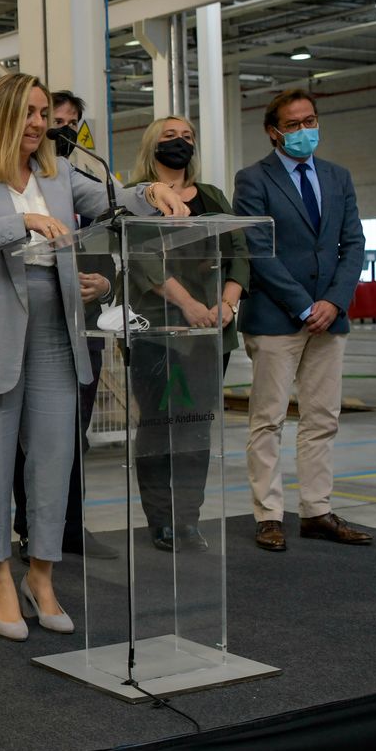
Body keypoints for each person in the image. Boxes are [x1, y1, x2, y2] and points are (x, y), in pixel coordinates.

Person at [0, 73, 186, 642]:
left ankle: (41, 577)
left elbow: (115, 202)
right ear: (2, 114)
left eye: (44, 113)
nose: (39, 123)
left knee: (53, 461)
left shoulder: (61, 172)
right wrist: (19, 222)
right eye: (29, 112)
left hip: (56, 328)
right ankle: (0, 578)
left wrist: (150, 192)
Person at [234, 89, 371, 552]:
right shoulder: (253, 179)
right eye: (293, 125)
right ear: (274, 132)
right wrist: (303, 305)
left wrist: (333, 301)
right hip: (276, 318)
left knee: (322, 418)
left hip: (330, 318)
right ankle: (269, 515)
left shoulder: (337, 177)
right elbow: (258, 250)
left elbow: (353, 244)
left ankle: (316, 511)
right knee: (268, 420)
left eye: (309, 120)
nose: (303, 130)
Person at [125, 115, 250, 552]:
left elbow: (239, 251)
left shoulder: (212, 196)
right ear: (152, 145)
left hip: (211, 333)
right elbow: (142, 258)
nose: (180, 142)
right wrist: (189, 305)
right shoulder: (137, 197)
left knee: (197, 428)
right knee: (159, 426)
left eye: (187, 136)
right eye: (170, 136)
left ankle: (188, 519)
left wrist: (227, 304)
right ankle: (161, 519)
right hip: (158, 332)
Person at [13, 90, 118, 564]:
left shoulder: (82, 181)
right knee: (27, 437)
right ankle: (29, 529)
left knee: (73, 435)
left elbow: (112, 241)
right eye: (51, 118)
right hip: (29, 321)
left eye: (71, 123)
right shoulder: (17, 182)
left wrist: (107, 283)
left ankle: (68, 527)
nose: (60, 129)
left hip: (82, 324)